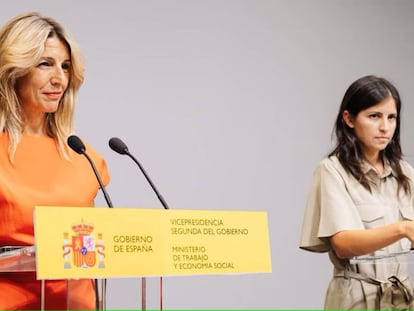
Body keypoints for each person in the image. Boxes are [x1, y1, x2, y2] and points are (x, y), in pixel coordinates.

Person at [0, 12, 110, 310]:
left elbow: (93, 245)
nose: (59, 79)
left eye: (65, 66)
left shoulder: (83, 156)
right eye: (45, 64)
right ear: (15, 70)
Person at [300, 75, 414, 310]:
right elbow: (343, 243)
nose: (385, 127)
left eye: (391, 117)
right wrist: (403, 228)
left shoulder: (405, 173)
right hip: (356, 298)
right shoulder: (332, 170)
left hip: (403, 298)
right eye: (374, 116)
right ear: (349, 118)